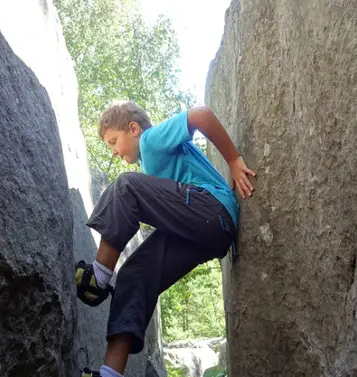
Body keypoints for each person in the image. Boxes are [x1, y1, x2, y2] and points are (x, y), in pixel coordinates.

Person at [76, 101, 256, 377]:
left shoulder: (150, 141)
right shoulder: (152, 162)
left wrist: (233, 160)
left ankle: (97, 278)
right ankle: (110, 373)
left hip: (211, 209)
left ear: (133, 129)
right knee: (133, 276)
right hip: (207, 233)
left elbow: (201, 115)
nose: (113, 151)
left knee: (126, 185)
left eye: (114, 141)